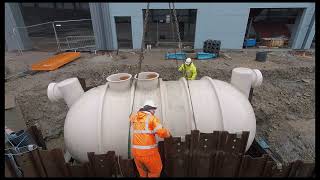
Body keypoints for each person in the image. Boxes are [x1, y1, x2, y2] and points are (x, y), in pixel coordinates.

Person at [129, 100, 171, 177]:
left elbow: (130, 118)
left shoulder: (135, 117)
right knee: (156, 171)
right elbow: (162, 132)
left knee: (143, 174)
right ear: (149, 109)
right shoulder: (152, 119)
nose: (154, 111)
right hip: (149, 154)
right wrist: (168, 134)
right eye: (153, 109)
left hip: (136, 154)